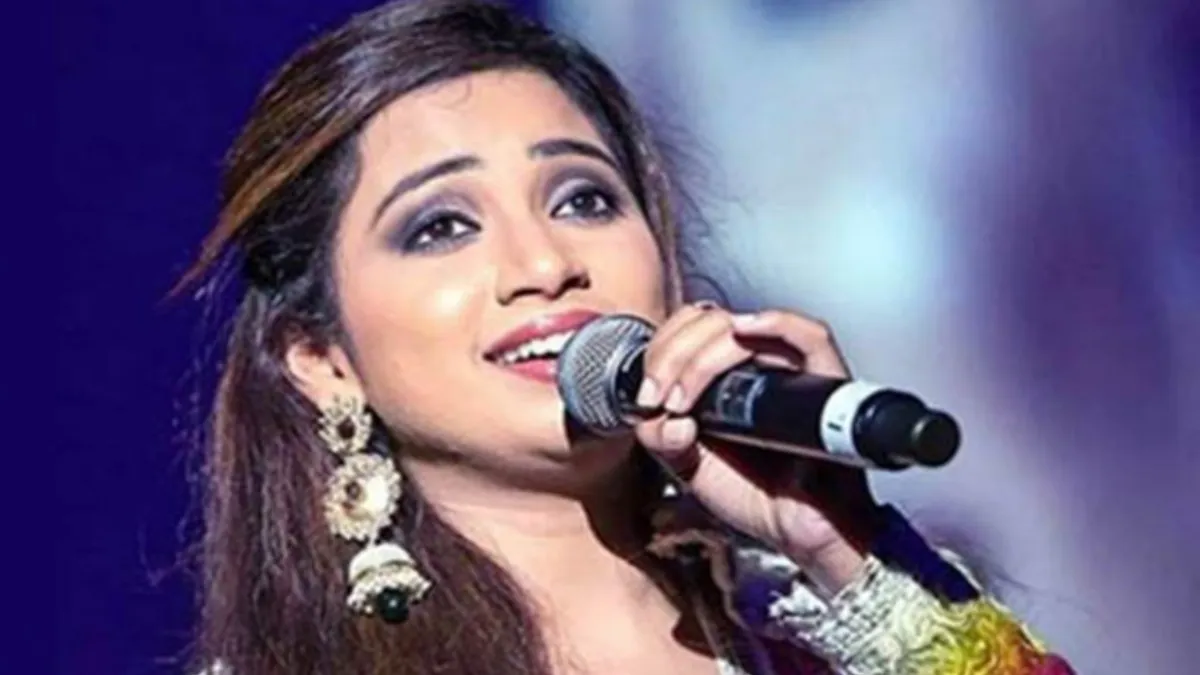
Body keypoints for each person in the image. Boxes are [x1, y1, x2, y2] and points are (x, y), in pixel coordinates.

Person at [180, 1, 1076, 673]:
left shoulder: (829, 637)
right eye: (443, 226)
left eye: (584, 200)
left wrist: (846, 549)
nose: (545, 263)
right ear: (323, 360)